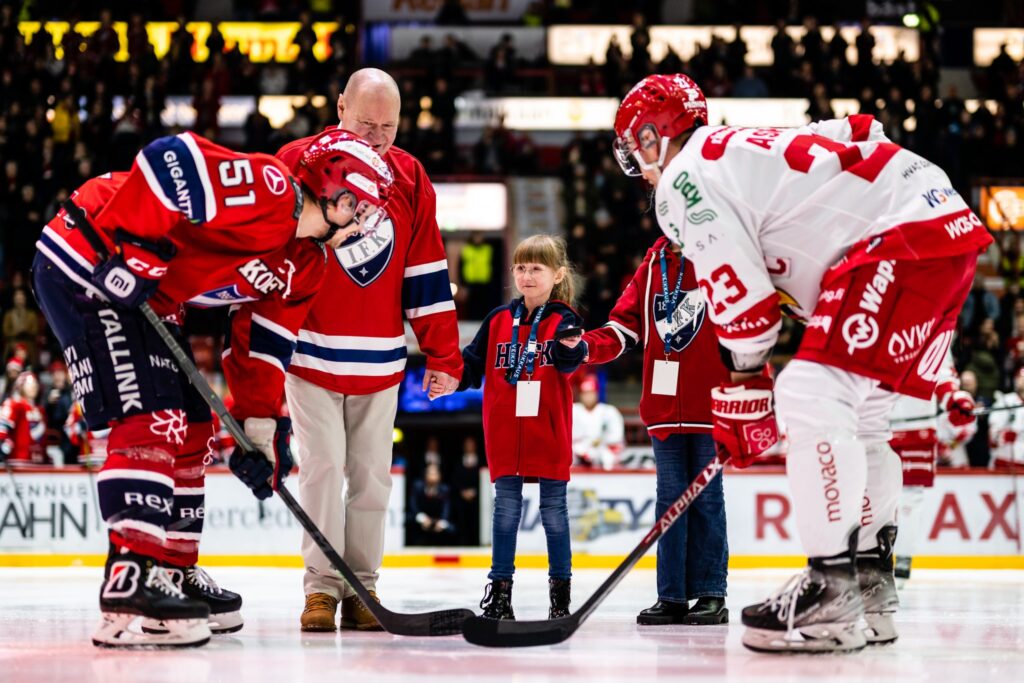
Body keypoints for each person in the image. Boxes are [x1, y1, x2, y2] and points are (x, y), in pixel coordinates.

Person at [613, 74, 991, 653]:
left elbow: (749, 310)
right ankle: (868, 587)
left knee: (809, 393)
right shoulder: (737, 151)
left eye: (634, 149)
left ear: (651, 135)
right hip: (937, 223)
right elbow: (860, 131)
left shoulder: (684, 180)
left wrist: (745, 382)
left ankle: (830, 589)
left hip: (899, 237)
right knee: (861, 421)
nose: (638, 167)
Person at [31, 128, 393, 648]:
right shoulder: (274, 189)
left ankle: (172, 571)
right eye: (366, 209)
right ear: (339, 193)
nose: (368, 221)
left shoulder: (307, 265)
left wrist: (260, 432)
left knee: (197, 427)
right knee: (152, 420)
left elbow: (261, 347)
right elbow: (167, 159)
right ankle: (131, 578)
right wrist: (138, 248)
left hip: (147, 297)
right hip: (91, 261)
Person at [274, 68, 463, 633]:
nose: (378, 137)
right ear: (339, 109)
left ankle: (364, 587)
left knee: (373, 477)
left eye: (389, 125)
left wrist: (444, 355)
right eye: (366, 123)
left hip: (382, 360)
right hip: (309, 355)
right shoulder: (297, 161)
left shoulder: (409, 175)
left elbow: (425, 268)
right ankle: (322, 591)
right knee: (323, 471)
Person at [581, 233, 730, 626]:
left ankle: (712, 593)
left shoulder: (722, 253)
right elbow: (622, 327)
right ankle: (672, 597)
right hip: (663, 411)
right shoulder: (653, 264)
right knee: (670, 504)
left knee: (707, 501)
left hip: (710, 407)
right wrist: (584, 347)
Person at [459, 234, 587, 621]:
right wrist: (448, 379)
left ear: (557, 273)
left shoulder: (565, 320)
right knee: (505, 511)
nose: (527, 275)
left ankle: (560, 599)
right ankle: (500, 596)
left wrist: (572, 349)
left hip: (547, 431)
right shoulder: (498, 319)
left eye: (536, 268)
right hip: (503, 432)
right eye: (521, 267)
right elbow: (471, 365)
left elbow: (571, 361)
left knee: (553, 512)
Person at [888, 358, 977, 583]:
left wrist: (954, 398)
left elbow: (943, 372)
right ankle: (872, 556)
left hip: (914, 430)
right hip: (876, 425)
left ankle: (903, 557)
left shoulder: (935, 323)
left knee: (909, 497)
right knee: (872, 495)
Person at [570, 375, 625, 470]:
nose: (588, 397)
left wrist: (600, 443)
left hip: (603, 449)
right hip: (578, 450)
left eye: (591, 393)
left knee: (608, 457)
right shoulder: (573, 410)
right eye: (585, 393)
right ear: (581, 395)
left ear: (597, 393)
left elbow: (617, 436)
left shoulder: (609, 411)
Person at [0, 371, 46, 464]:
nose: (33, 386)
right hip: (18, 461)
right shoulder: (14, 404)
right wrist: (4, 445)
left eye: (35, 383)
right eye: (30, 383)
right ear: (20, 386)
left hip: (38, 462)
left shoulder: (40, 410)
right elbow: (2, 427)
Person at [407, 462, 455, 545]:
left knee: (451, 529)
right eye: (430, 473)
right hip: (421, 517)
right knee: (408, 519)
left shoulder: (445, 489)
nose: (433, 476)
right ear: (425, 475)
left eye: (435, 474)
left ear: (439, 476)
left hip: (438, 520)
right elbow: (413, 505)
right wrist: (422, 518)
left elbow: (446, 508)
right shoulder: (417, 486)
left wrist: (441, 521)